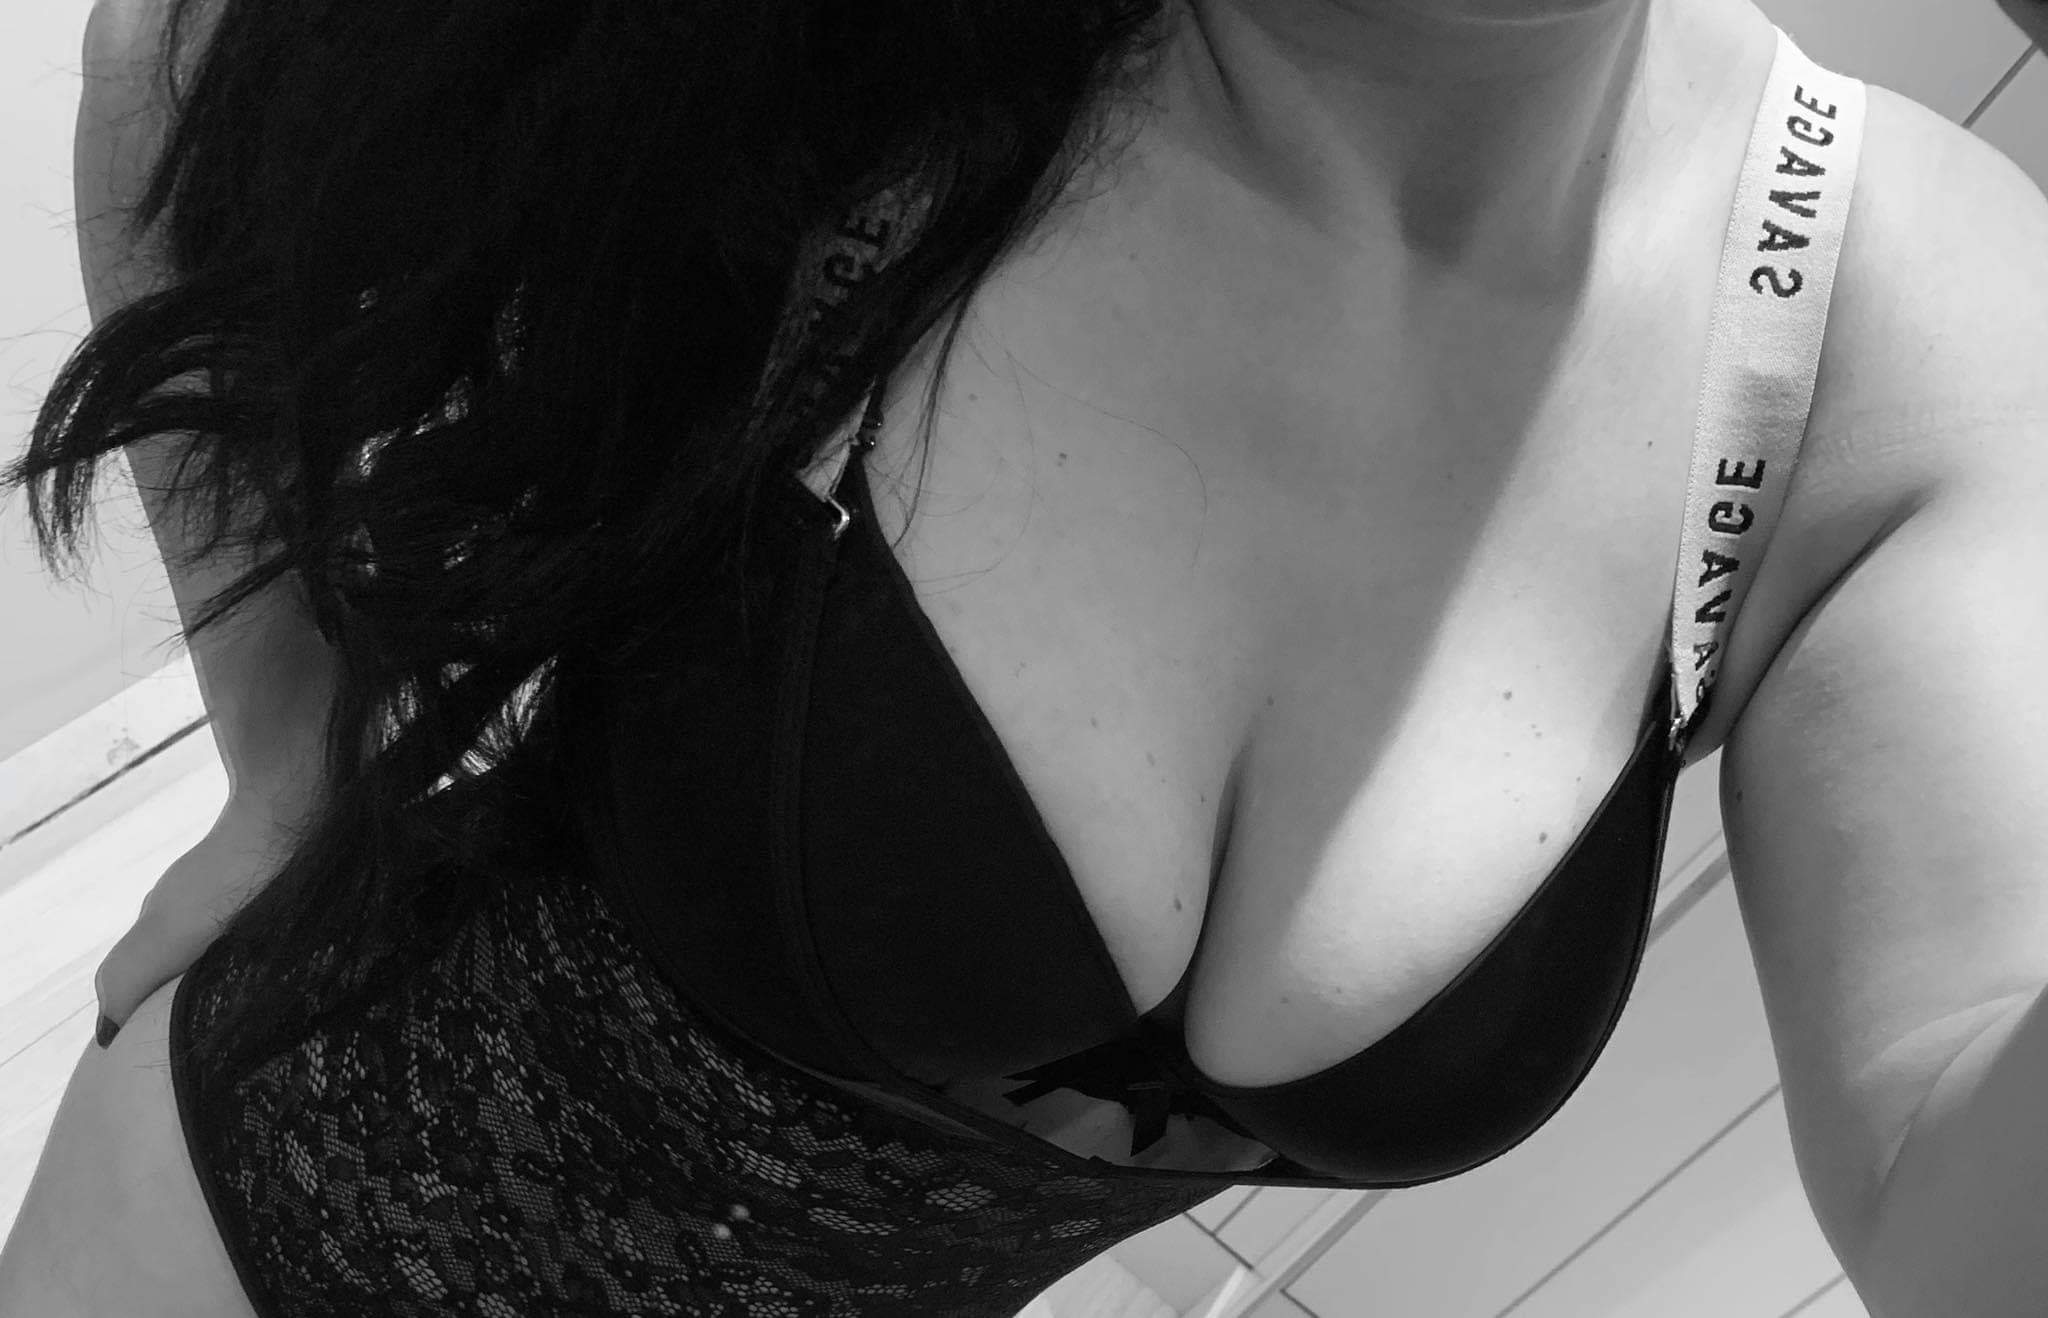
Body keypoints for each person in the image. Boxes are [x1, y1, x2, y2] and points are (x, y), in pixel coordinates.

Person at [5, 0, 2048, 1312]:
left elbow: (1941, 1201)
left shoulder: (1891, 328)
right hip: (226, 1245)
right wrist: (282, 747)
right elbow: (184, 51)